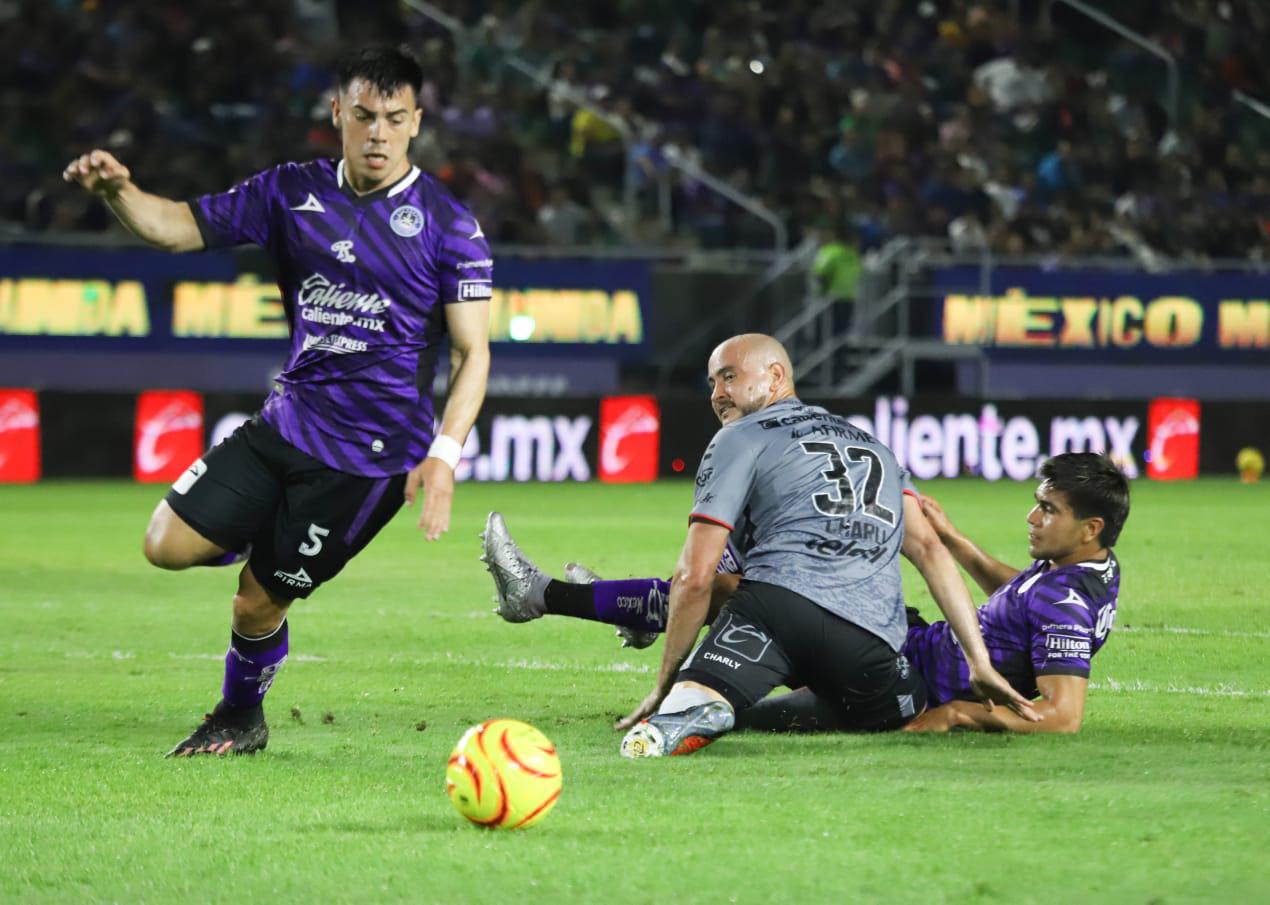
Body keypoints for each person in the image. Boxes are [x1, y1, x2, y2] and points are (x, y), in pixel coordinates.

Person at [61, 46, 492, 757]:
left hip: (366, 461)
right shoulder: (291, 191)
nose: (377, 133)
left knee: (257, 599)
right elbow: (175, 227)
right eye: (362, 117)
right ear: (337, 115)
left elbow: (473, 352)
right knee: (163, 544)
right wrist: (117, 191)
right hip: (284, 422)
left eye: (392, 118)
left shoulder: (449, 224)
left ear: (415, 122)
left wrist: (444, 455)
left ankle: (239, 715)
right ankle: (262, 535)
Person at [483, 333, 1036, 757]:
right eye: (711, 383)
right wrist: (978, 661)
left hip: (773, 613)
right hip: (870, 645)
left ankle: (686, 698)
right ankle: (616, 625)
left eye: (728, 377)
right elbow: (932, 552)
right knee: (894, 706)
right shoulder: (876, 446)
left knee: (708, 638)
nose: (717, 394)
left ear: (774, 377)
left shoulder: (739, 437)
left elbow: (694, 578)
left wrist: (665, 682)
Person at [484, 450, 1127, 735]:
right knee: (749, 586)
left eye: (1048, 509)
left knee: (743, 599)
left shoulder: (1064, 601)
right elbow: (1022, 597)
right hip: (905, 639)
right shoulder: (1090, 570)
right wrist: (956, 542)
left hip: (902, 680)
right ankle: (593, 601)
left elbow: (1063, 717)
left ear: (1089, 527)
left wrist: (961, 714)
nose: (1032, 518)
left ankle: (553, 597)